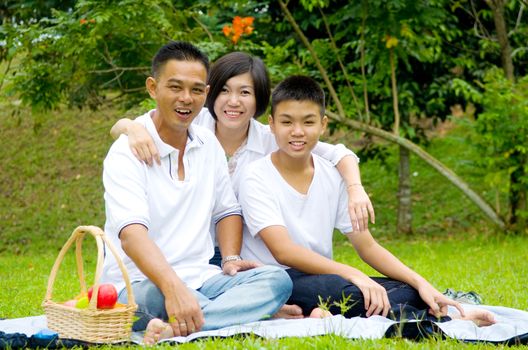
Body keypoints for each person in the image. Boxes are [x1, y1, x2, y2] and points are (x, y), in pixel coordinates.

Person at [237, 75, 496, 326]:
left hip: (324, 276)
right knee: (348, 291)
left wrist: (422, 283)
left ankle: (321, 313)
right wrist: (354, 273)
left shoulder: (331, 174)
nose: (297, 132)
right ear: (271, 125)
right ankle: (444, 319)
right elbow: (284, 251)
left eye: (308, 122)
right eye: (286, 122)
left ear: (323, 124)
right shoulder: (254, 176)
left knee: (404, 290)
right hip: (275, 279)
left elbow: (367, 246)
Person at [100, 41, 293, 345]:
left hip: (203, 278)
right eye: (175, 87)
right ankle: (234, 313)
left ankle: (187, 323)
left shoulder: (206, 142)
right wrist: (173, 288)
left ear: (205, 92)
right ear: (153, 87)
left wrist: (229, 259)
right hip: (140, 283)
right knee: (152, 299)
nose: (186, 99)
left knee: (275, 280)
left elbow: (227, 210)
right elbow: (132, 235)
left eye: (196, 90)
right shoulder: (127, 151)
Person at [110, 52, 375, 268]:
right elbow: (127, 127)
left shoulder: (273, 138)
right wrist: (130, 127)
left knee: (263, 283)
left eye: (245, 93)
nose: (233, 102)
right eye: (224, 90)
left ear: (259, 98)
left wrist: (355, 188)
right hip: (190, 249)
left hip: (239, 253)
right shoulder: (192, 123)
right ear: (211, 93)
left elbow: (339, 153)